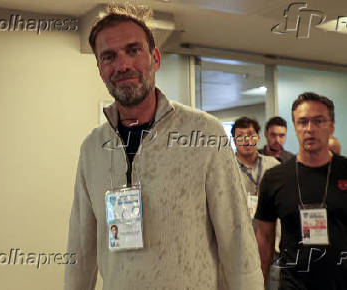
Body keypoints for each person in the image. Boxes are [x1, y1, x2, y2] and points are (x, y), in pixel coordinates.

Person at [64, 3, 264, 290]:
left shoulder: (203, 133)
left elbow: (237, 238)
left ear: (155, 58)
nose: (123, 65)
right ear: (100, 69)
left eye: (133, 50)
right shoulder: (93, 148)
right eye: (109, 56)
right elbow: (80, 247)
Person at [255, 92, 347, 290]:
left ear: (331, 126)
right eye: (303, 122)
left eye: (319, 121)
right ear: (295, 127)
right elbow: (265, 237)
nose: (310, 129)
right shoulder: (274, 178)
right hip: (294, 284)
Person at [232, 117, 279, 223]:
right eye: (240, 136)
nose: (246, 140)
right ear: (234, 141)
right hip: (239, 231)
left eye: (250, 135)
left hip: (271, 232)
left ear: (258, 138)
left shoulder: (274, 166)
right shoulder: (227, 169)